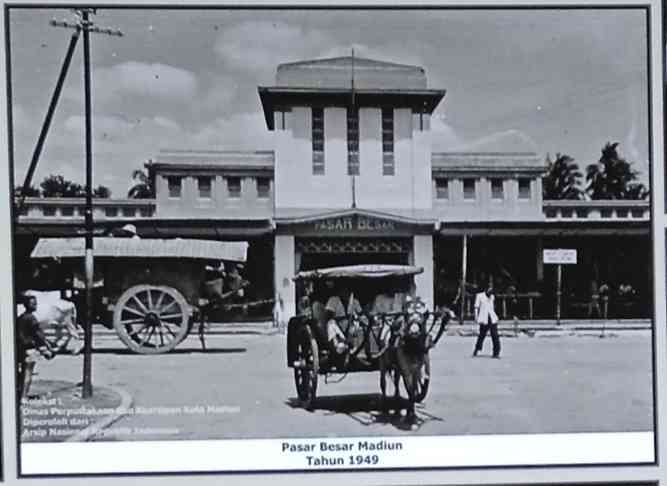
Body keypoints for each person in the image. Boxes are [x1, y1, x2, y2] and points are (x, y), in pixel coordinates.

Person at [16, 294, 54, 400]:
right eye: (34, 303)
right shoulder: (32, 318)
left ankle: (19, 394)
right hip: (29, 348)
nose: (36, 305)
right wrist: (47, 346)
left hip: (20, 348)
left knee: (21, 372)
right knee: (28, 372)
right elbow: (38, 335)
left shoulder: (20, 317)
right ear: (28, 305)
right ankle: (24, 397)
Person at [473, 284, 501, 358]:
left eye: (491, 290)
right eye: (489, 290)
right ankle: (477, 348)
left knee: (495, 335)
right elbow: (476, 307)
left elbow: (492, 307)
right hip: (484, 318)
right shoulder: (479, 296)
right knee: (482, 335)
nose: (490, 292)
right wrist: (476, 317)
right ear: (485, 289)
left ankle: (496, 352)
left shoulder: (492, 297)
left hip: (492, 318)